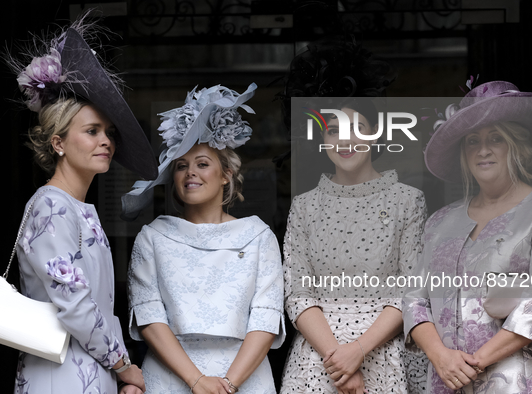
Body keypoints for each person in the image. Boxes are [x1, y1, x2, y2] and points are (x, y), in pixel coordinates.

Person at [8, 19, 159, 394]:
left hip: (90, 371)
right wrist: (125, 366)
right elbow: (75, 306)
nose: (105, 140)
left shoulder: (74, 207)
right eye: (91, 131)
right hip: (61, 376)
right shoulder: (51, 207)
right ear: (58, 142)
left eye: (109, 132)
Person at [403, 81, 532, 393]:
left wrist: (472, 363)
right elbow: (415, 298)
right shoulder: (439, 221)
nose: (483, 150)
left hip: (520, 381)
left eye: (496, 139)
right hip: (447, 381)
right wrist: (440, 357)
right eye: (473, 141)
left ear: (518, 146)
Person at [122, 83, 285, 394]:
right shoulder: (152, 238)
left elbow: (265, 319)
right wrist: (196, 381)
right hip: (171, 378)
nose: (190, 173)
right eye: (181, 166)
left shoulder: (258, 236)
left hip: (245, 377)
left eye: (202, 164)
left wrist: (227, 385)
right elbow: (149, 317)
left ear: (225, 174)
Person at [281, 98, 428, 394]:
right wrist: (338, 359)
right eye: (333, 131)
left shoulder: (408, 200)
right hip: (318, 357)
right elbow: (297, 292)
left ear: (375, 133)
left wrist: (358, 350)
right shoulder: (304, 206)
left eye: (357, 128)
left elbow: (411, 288)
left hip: (386, 353)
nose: (345, 140)